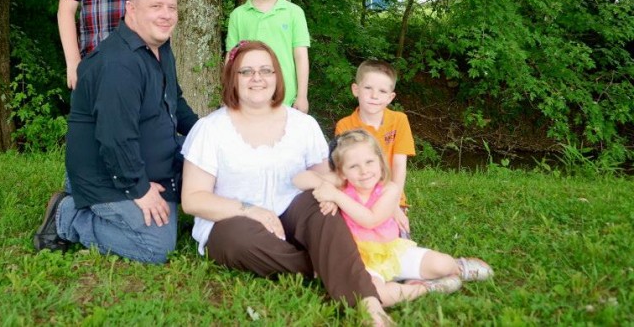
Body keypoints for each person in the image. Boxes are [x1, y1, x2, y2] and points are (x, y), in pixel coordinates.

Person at [181, 41, 391, 326]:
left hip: (294, 213)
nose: (258, 78)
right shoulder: (210, 129)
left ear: (277, 76)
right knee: (235, 239)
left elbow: (327, 175)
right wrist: (249, 210)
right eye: (247, 72)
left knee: (322, 209)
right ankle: (329, 266)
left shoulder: (302, 124)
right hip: (237, 221)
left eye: (266, 70)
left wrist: (328, 190)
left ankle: (369, 306)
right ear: (232, 77)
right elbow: (193, 199)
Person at [33, 0, 198, 264]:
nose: (166, 15)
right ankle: (67, 215)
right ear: (131, 9)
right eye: (156, 6)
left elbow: (176, 104)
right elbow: (115, 138)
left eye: (171, 7)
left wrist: (211, 134)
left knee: (215, 172)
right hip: (107, 174)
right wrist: (141, 189)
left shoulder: (160, 48)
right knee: (155, 246)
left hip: (153, 162)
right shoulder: (118, 64)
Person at [293, 129, 493, 307]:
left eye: (370, 162)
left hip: (392, 252)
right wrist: (326, 185)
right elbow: (299, 179)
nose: (364, 171)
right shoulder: (344, 183)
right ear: (342, 172)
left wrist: (335, 196)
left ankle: (457, 266)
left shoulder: (389, 189)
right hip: (360, 260)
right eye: (353, 166)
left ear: (380, 162)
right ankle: (425, 288)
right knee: (378, 295)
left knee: (441, 265)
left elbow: (370, 219)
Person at [226, 0, 310, 113]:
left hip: (285, 98)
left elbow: (301, 57)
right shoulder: (238, 15)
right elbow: (231, 58)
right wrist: (228, 92)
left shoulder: (294, 13)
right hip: (247, 97)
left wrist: (302, 96)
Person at [335, 60, 415, 237]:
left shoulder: (399, 120)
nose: (374, 96)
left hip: (390, 196)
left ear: (390, 97)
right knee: (351, 237)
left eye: (382, 91)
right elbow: (344, 170)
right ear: (356, 90)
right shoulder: (345, 125)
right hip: (358, 194)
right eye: (368, 88)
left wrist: (394, 205)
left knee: (396, 239)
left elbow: (399, 165)